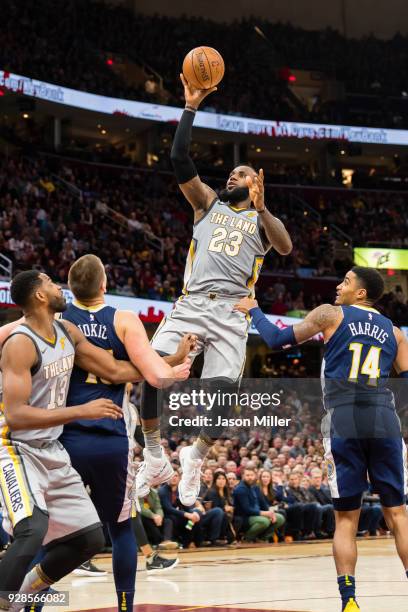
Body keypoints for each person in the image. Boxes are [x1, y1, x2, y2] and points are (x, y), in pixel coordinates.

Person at [136, 73, 292, 507]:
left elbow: (284, 245)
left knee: (224, 398)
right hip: (191, 303)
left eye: (240, 172)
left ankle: (195, 454)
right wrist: (190, 107)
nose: (231, 176)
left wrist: (264, 209)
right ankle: (152, 455)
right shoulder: (207, 203)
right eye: (230, 172)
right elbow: (179, 158)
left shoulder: (261, 222)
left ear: (255, 184)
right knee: (151, 367)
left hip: (229, 311)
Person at [235, 266, 408, 612]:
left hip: (344, 417)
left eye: (346, 281)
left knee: (346, 519)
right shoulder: (395, 332)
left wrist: (253, 308)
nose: (338, 286)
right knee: (399, 514)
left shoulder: (331, 314)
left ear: (361, 293)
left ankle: (349, 602)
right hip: (383, 418)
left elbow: (275, 339)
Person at [0, 270, 148, 610]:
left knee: (89, 538)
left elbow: (113, 369)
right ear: (39, 295)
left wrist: (167, 363)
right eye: (51, 283)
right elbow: (17, 415)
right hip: (14, 446)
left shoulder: (66, 330)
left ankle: (21, 595)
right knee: (31, 530)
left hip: (50, 447)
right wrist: (81, 411)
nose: (59, 287)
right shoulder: (20, 342)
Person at [59, 254, 192, 609]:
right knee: (120, 531)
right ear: (105, 285)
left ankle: (31, 602)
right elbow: (154, 376)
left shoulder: (59, 321)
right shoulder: (124, 319)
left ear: (70, 288)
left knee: (50, 533)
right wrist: (175, 361)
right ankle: (125, 607)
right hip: (110, 438)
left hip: (63, 437)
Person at [233, 467, 284, 542]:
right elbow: (246, 509)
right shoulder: (240, 489)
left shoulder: (255, 487)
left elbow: (262, 503)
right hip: (244, 517)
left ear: (255, 476)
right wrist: (264, 513)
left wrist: (270, 513)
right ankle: (247, 538)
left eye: (251, 475)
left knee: (280, 518)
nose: (250, 477)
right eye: (247, 475)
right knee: (264, 521)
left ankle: (262, 538)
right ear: (243, 476)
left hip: (256, 514)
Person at [204, 470, 237, 543]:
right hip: (209, 518)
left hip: (222, 517)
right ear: (215, 480)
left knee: (233, 516)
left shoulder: (226, 492)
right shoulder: (212, 492)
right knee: (220, 512)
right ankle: (215, 538)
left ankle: (227, 537)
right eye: (219, 479)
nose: (221, 481)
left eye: (223, 479)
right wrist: (225, 508)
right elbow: (214, 509)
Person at [308, 468, 335, 536]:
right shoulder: (309, 490)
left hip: (326, 508)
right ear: (311, 479)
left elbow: (330, 500)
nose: (318, 479)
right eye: (315, 477)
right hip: (315, 509)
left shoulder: (324, 489)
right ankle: (329, 531)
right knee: (329, 507)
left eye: (319, 477)